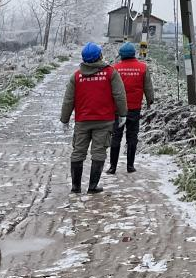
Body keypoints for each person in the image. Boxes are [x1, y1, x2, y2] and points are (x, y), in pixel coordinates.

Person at [60, 42, 127, 194]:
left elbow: (68, 100)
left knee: (78, 151)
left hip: (82, 121)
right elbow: (119, 95)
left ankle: (76, 186)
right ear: (100, 56)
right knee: (99, 152)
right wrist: (123, 113)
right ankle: (92, 186)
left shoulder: (76, 76)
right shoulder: (111, 73)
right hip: (104, 121)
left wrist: (65, 119)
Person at [108, 41, 153, 175]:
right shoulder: (143, 68)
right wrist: (150, 101)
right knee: (132, 136)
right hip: (134, 108)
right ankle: (130, 166)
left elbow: (109, 89)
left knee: (116, 136)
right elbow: (148, 87)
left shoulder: (114, 68)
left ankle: (112, 167)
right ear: (134, 54)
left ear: (121, 55)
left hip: (117, 110)